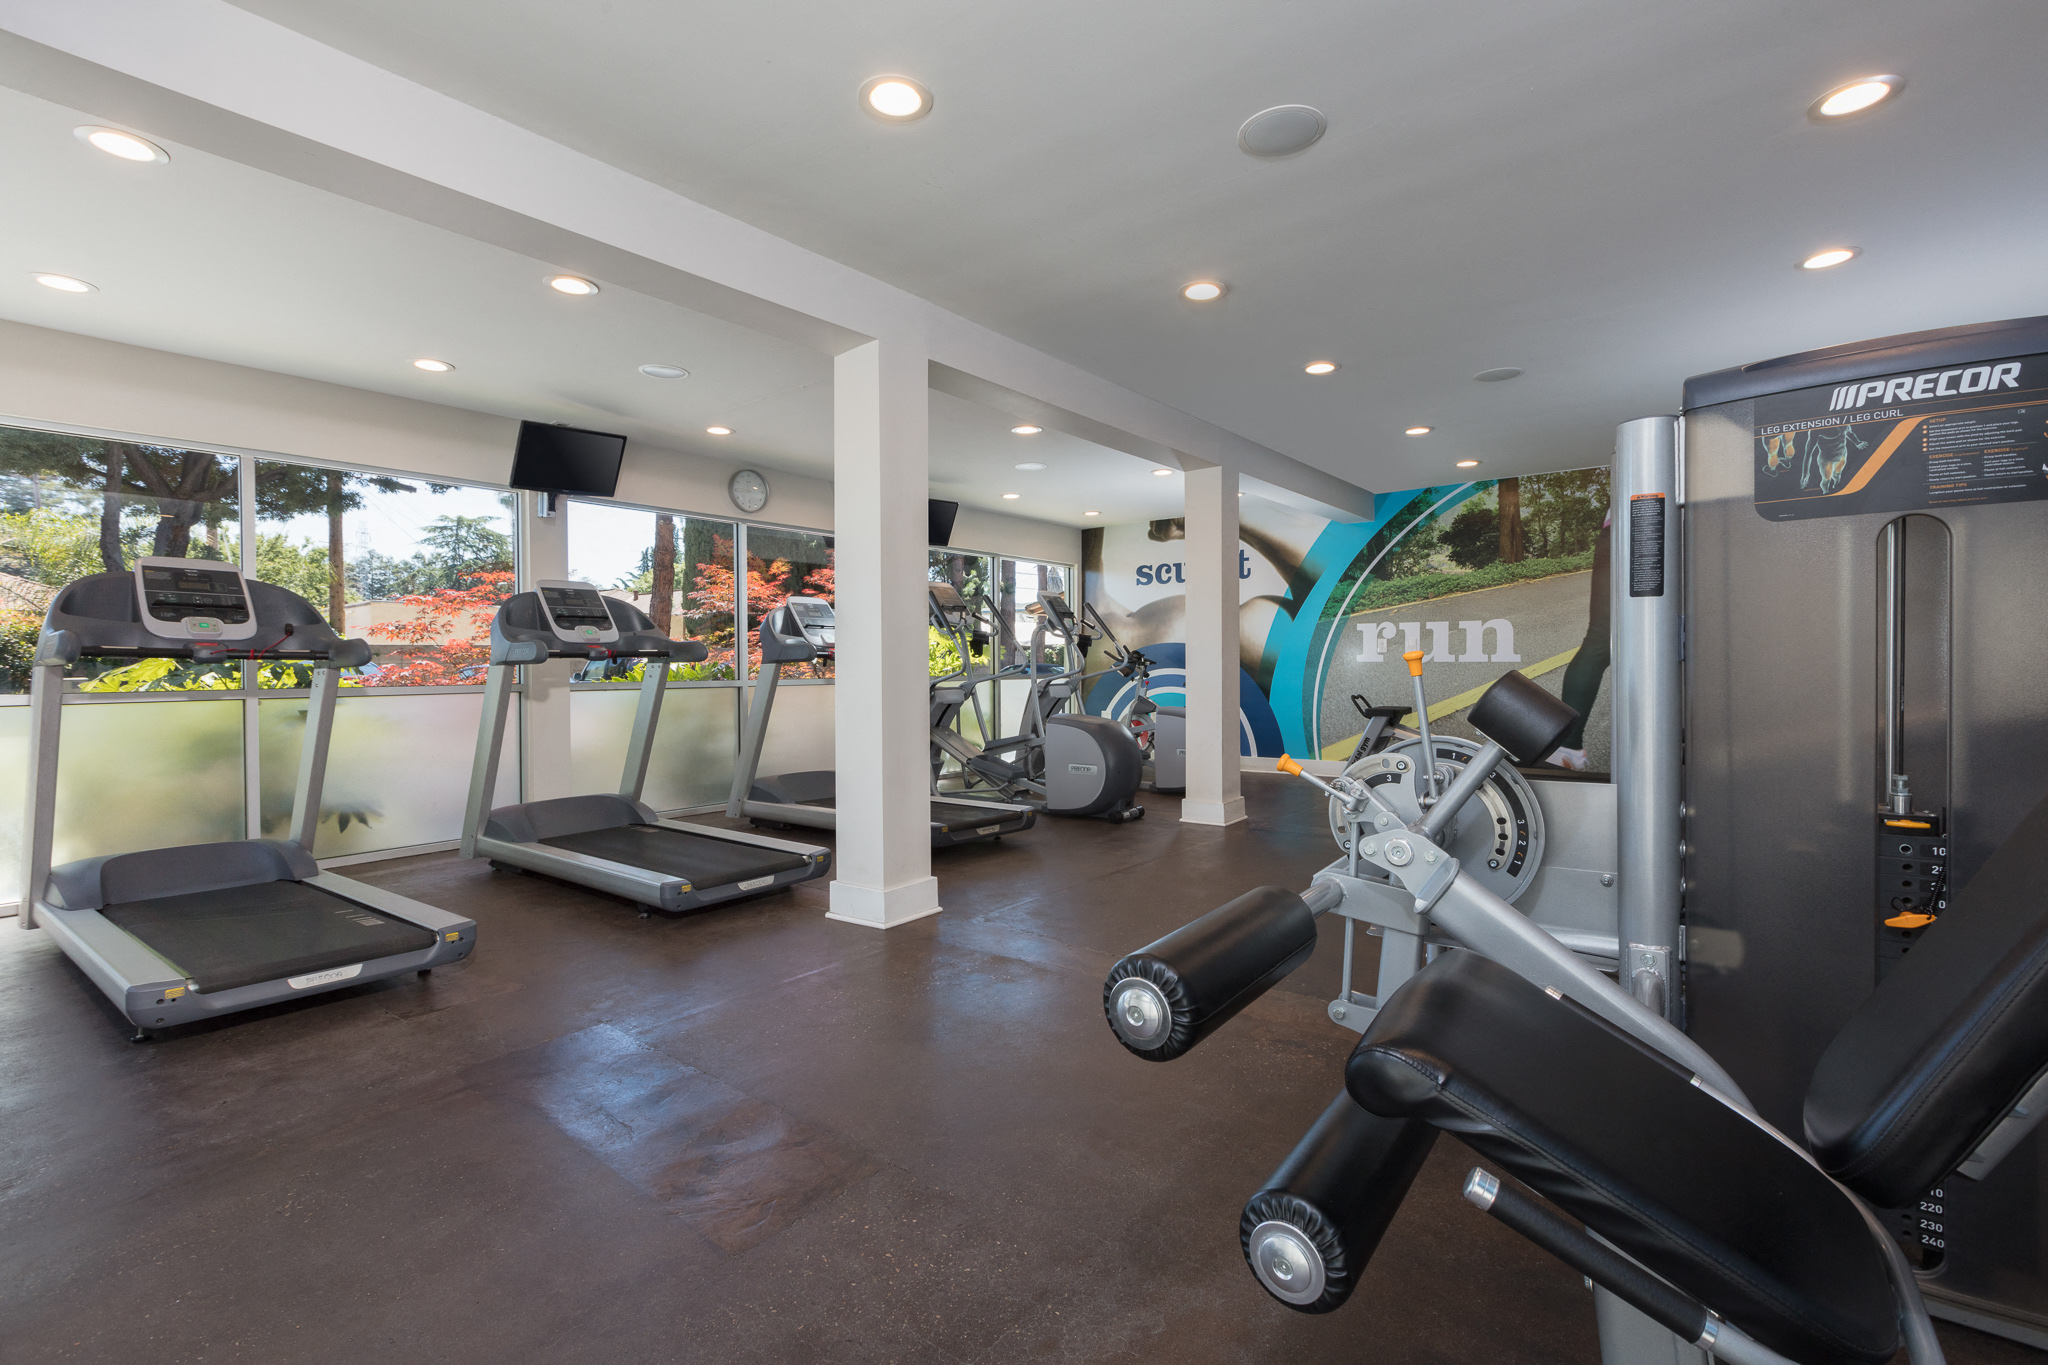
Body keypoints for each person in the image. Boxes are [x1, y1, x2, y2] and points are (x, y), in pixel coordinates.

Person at [1548, 510, 1609, 770]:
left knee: (1600, 641)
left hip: (1616, 532)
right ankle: (1567, 746)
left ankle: (1567, 747)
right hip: (1658, 528)